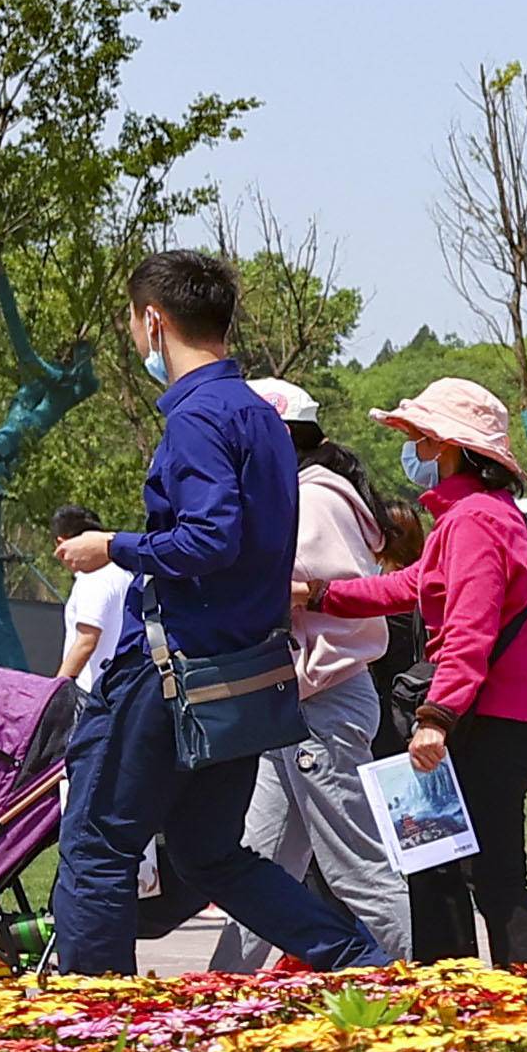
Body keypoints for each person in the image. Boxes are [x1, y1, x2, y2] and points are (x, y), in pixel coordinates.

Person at [45, 251, 384, 977]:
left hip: (174, 669)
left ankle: (91, 1019)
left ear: (153, 321)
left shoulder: (198, 418)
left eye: (135, 325)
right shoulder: (261, 417)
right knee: (209, 852)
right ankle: (353, 956)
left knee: (99, 844)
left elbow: (209, 536)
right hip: (247, 670)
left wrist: (115, 546)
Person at [306, 373, 527, 965]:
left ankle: (512, 1004)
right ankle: (468, 994)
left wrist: (436, 718)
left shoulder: (473, 522)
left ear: (446, 447)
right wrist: (318, 594)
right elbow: (409, 586)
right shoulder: (482, 515)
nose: (413, 449)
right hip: (508, 716)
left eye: (419, 436)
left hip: (484, 721)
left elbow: (470, 627)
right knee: (445, 864)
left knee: (482, 874)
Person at [210, 379, 411, 972]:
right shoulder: (305, 492)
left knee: (357, 864)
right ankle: (224, 991)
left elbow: (326, 590)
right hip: (291, 701)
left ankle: (400, 988)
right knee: (258, 862)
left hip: (321, 701)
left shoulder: (315, 498)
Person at [49, 511, 130, 683]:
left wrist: (55, 690)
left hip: (93, 693)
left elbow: (86, 641)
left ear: (60, 543)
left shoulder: (92, 577)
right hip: (124, 686)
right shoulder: (125, 572)